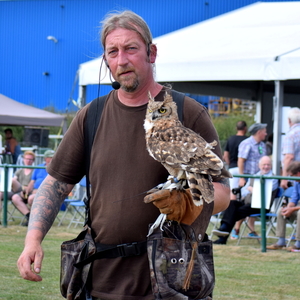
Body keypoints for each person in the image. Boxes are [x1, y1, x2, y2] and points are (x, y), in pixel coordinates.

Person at [17, 11, 230, 300]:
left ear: (151, 52)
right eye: (113, 52)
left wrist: (187, 200)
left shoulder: (187, 112)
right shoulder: (91, 116)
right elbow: (56, 184)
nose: (122, 60)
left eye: (131, 48)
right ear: (106, 60)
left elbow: (221, 192)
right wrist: (33, 240)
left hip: (169, 281)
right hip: (99, 279)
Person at [212, 156, 279, 244]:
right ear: (259, 165)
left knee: (235, 211)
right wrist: (247, 190)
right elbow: (244, 190)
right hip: (248, 203)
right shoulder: (255, 175)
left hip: (262, 205)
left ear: (271, 166)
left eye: (268, 165)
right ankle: (224, 229)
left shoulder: (273, 178)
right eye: (264, 165)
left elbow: (265, 192)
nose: (266, 167)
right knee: (232, 204)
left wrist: (253, 190)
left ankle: (223, 234)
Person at [267, 161, 300, 252]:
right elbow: (294, 198)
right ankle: (281, 241)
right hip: (297, 207)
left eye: (292, 175)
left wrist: (292, 209)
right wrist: (288, 208)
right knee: (281, 211)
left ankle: (298, 244)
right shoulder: (297, 182)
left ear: (298, 173)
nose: (290, 178)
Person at [9, 151, 36, 226]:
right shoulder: (19, 171)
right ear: (23, 159)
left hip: (30, 191)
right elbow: (14, 182)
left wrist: (26, 189)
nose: (28, 161)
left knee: (15, 197)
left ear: (33, 161)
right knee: (12, 180)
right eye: (27, 159)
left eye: (30, 159)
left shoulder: (35, 171)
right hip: (19, 190)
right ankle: (29, 216)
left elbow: (33, 183)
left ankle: (30, 217)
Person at [223, 120, 248, 200]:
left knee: (232, 191)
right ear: (245, 128)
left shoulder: (230, 139)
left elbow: (225, 155)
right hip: (244, 169)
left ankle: (232, 210)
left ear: (236, 128)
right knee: (246, 190)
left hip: (232, 168)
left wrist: (230, 164)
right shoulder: (247, 140)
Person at [280, 107, 300, 189]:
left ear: (289, 120)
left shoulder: (291, 135)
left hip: (295, 175)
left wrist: (284, 178)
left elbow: (289, 157)